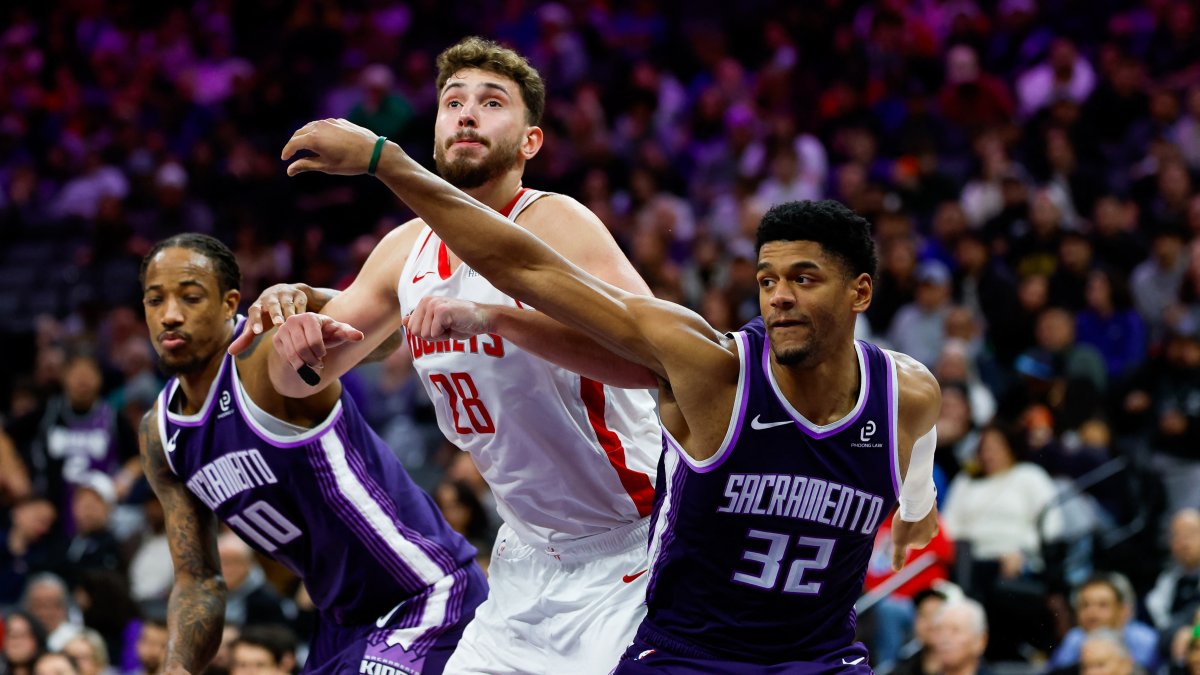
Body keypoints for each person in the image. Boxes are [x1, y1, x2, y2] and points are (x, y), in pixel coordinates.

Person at [278, 117, 943, 669]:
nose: (781, 298)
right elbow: (528, 267)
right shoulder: (711, 368)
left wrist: (919, 504)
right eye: (768, 280)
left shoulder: (907, 394)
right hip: (692, 657)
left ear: (859, 291)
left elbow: (919, 458)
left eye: (804, 279)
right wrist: (387, 161)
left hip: (820, 659)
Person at [232, 37, 661, 673]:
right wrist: (286, 330)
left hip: (632, 548)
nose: (467, 114)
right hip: (526, 557)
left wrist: (499, 319)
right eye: (452, 102)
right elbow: (301, 380)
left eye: (492, 104)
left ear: (530, 143)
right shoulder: (405, 248)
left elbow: (654, 361)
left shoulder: (555, 221)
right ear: (435, 132)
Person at [138, 233, 485, 674]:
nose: (170, 315)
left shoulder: (264, 358)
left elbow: (380, 341)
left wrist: (315, 300)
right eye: (154, 300)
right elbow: (199, 580)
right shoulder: (161, 434)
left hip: (422, 597)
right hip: (339, 621)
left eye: (190, 298)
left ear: (229, 305)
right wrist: (177, 666)